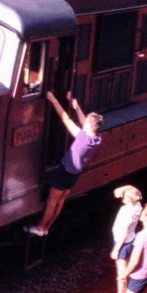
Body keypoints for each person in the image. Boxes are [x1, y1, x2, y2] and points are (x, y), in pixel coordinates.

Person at [24, 91, 103, 236]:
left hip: (65, 171)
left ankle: (41, 228)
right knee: (60, 201)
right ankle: (47, 228)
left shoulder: (82, 138)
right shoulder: (97, 138)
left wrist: (54, 100)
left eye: (86, 121)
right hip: (75, 174)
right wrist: (76, 106)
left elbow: (66, 119)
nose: (83, 121)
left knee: (51, 201)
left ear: (89, 125)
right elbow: (84, 121)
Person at [105, 185, 143, 293]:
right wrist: (124, 190)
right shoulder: (137, 205)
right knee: (125, 268)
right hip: (130, 240)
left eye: (125, 198)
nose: (122, 199)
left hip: (123, 243)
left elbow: (123, 233)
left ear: (130, 200)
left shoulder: (128, 214)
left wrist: (116, 250)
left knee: (121, 273)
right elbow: (132, 189)